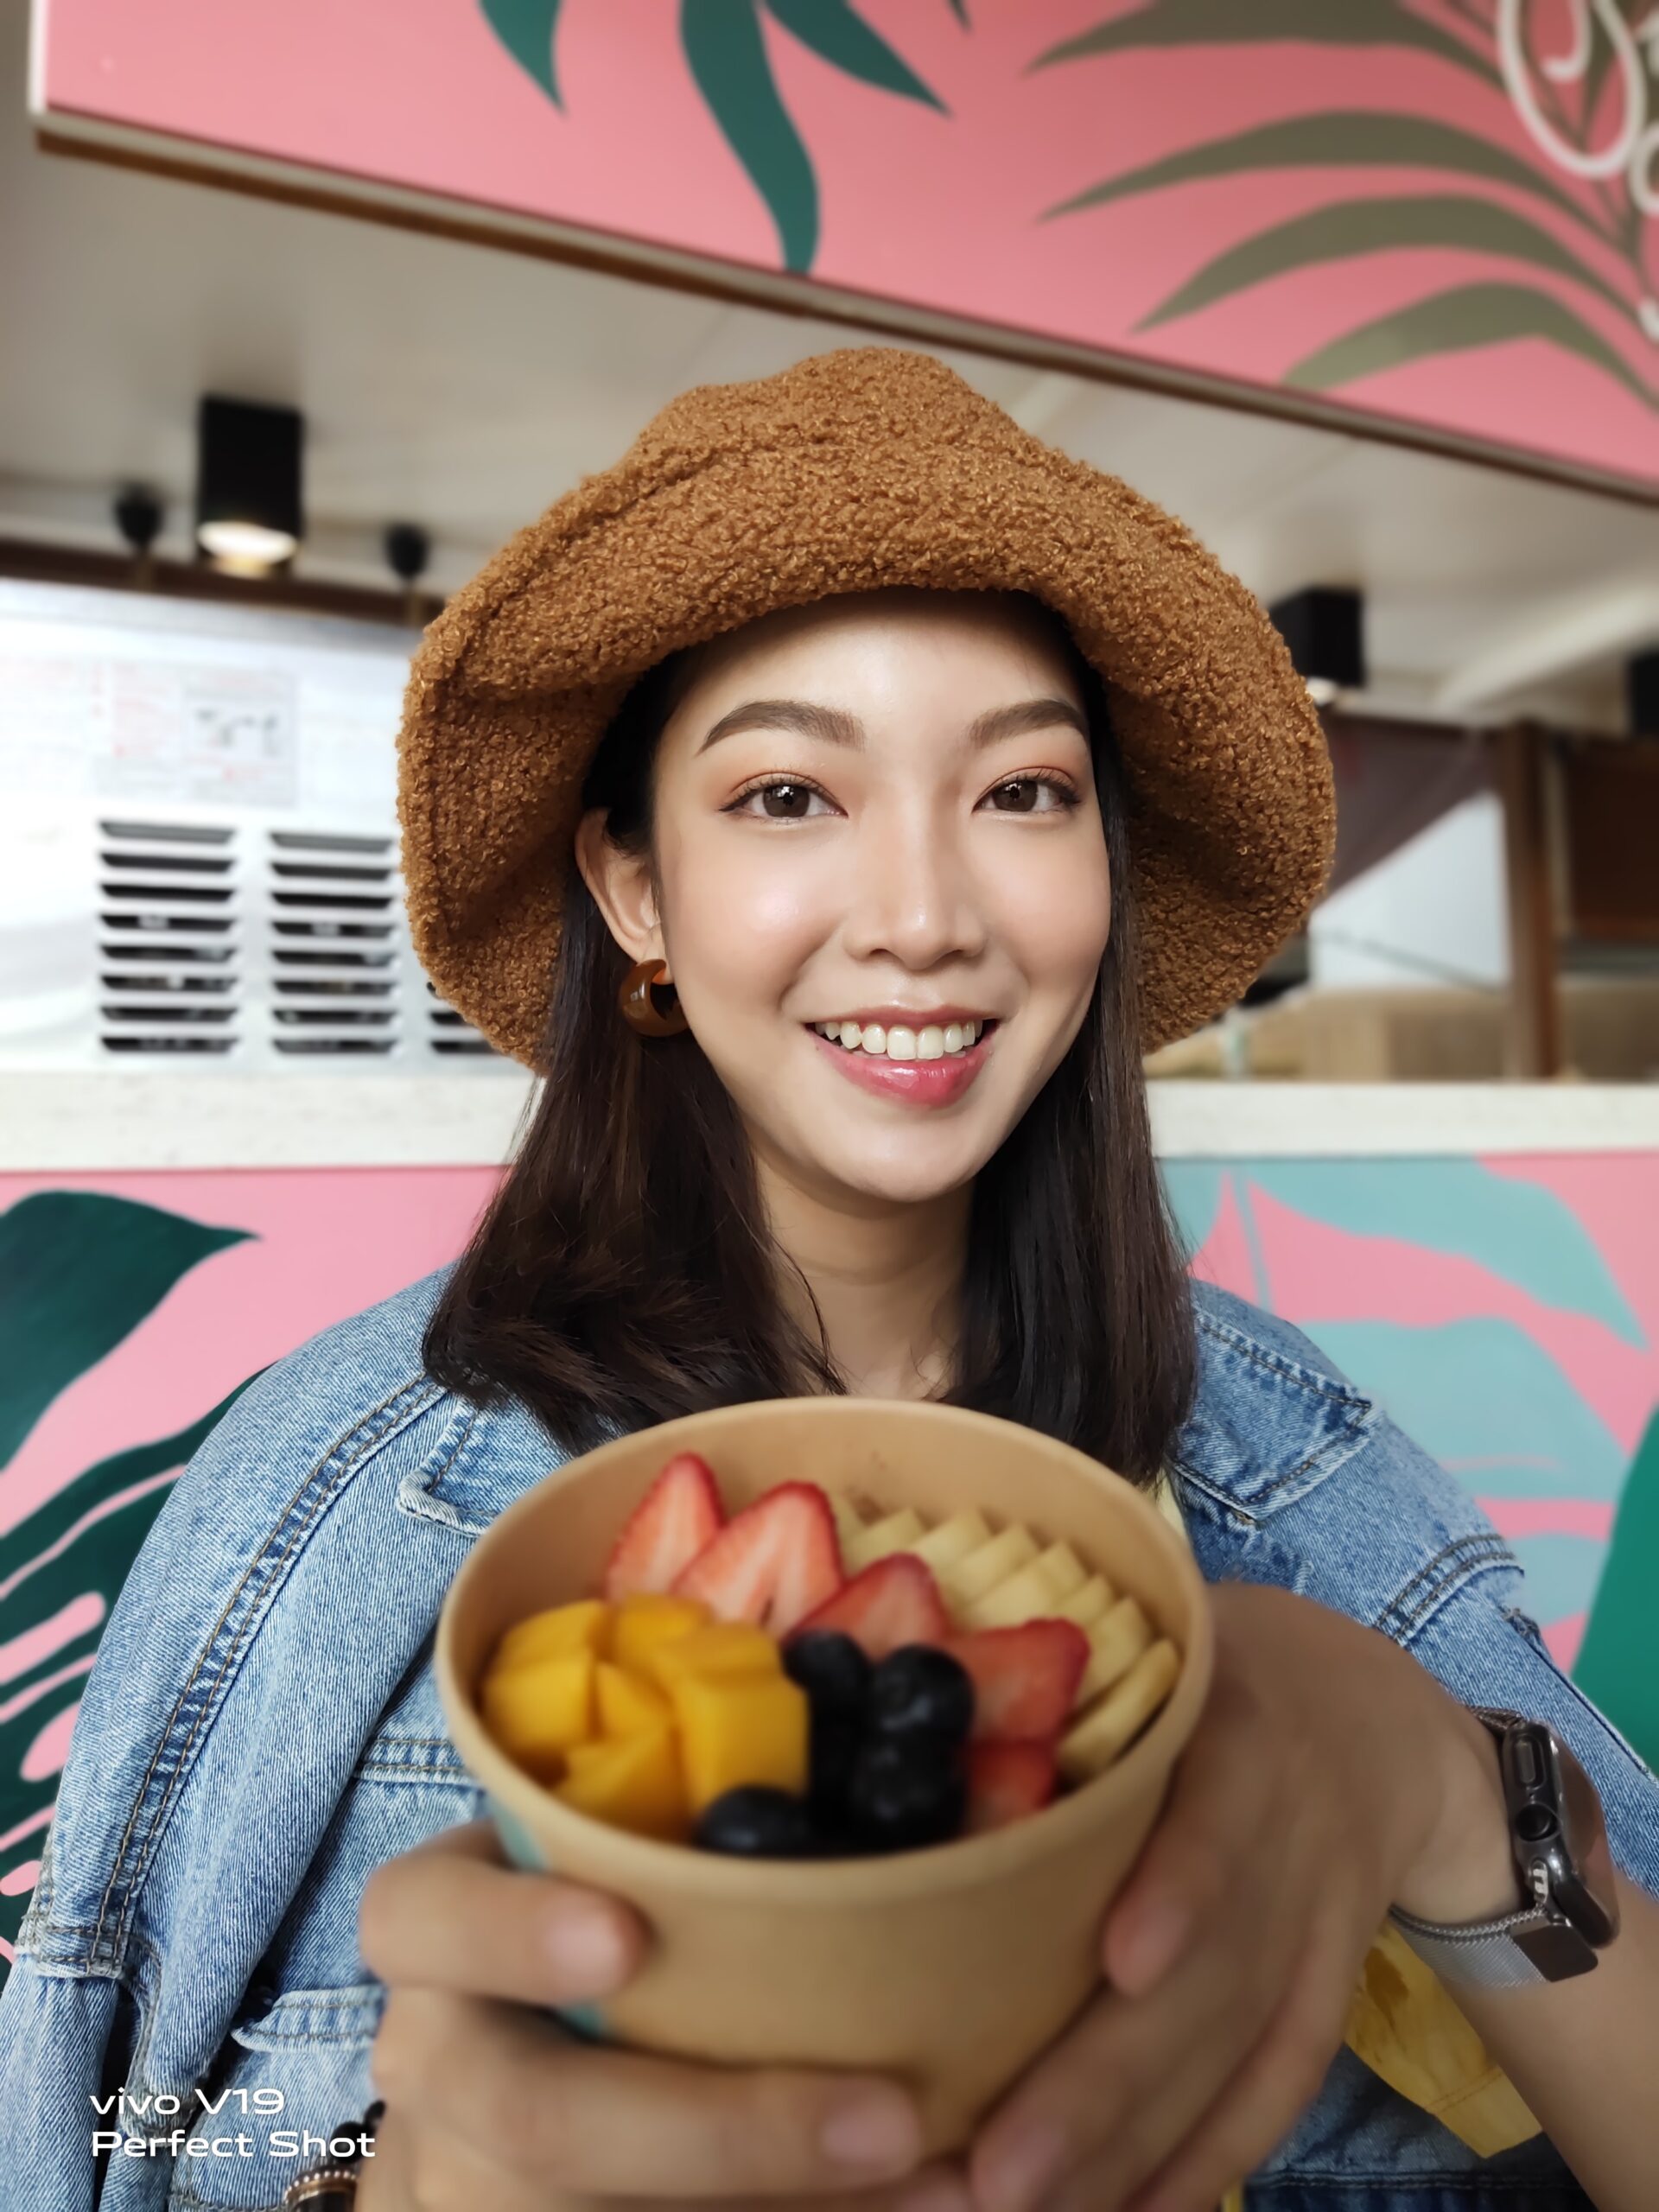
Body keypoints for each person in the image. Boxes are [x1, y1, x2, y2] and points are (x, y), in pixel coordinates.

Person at [1, 349, 1654, 2212]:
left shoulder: (1307, 1473)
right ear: (637, 889)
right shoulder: (320, 1508)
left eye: (1024, 788)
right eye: (790, 793)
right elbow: (94, 2144)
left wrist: (1433, 1781)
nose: (926, 915)